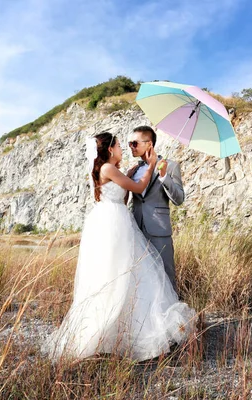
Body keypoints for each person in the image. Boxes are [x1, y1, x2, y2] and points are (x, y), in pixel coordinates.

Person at [42, 132, 195, 362]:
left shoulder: (115, 169)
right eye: (123, 144)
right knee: (116, 275)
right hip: (114, 225)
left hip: (121, 222)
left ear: (149, 144)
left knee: (129, 276)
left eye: (133, 143)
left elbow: (124, 194)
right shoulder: (108, 169)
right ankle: (112, 332)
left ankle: (129, 327)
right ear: (111, 149)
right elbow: (137, 188)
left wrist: (146, 173)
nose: (127, 147)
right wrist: (151, 166)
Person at [127, 126, 184, 293]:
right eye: (130, 143)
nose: (131, 146)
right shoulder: (134, 170)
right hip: (136, 229)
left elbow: (179, 199)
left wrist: (164, 176)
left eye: (134, 143)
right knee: (139, 278)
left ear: (149, 144)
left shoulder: (170, 166)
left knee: (166, 276)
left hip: (159, 229)